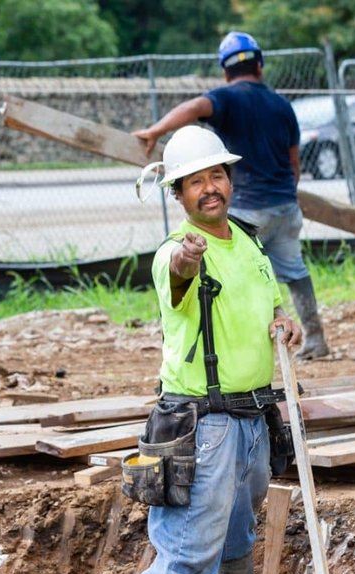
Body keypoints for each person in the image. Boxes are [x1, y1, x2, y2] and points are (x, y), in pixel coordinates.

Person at [127, 125, 301, 574]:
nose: (210, 188)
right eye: (196, 181)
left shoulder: (247, 242)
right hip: (203, 420)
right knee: (190, 533)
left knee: (239, 518)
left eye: (217, 176)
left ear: (229, 180)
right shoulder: (174, 253)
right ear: (178, 194)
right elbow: (176, 273)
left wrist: (285, 320)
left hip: (252, 413)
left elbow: (270, 297)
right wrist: (186, 256)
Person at [133, 31, 328, 360]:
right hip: (285, 205)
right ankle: (317, 338)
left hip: (248, 211)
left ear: (225, 72)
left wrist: (155, 131)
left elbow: (195, 107)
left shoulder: (226, 98)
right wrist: (284, 196)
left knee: (230, 272)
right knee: (294, 271)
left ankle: (234, 348)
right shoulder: (282, 106)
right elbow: (295, 164)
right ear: (260, 66)